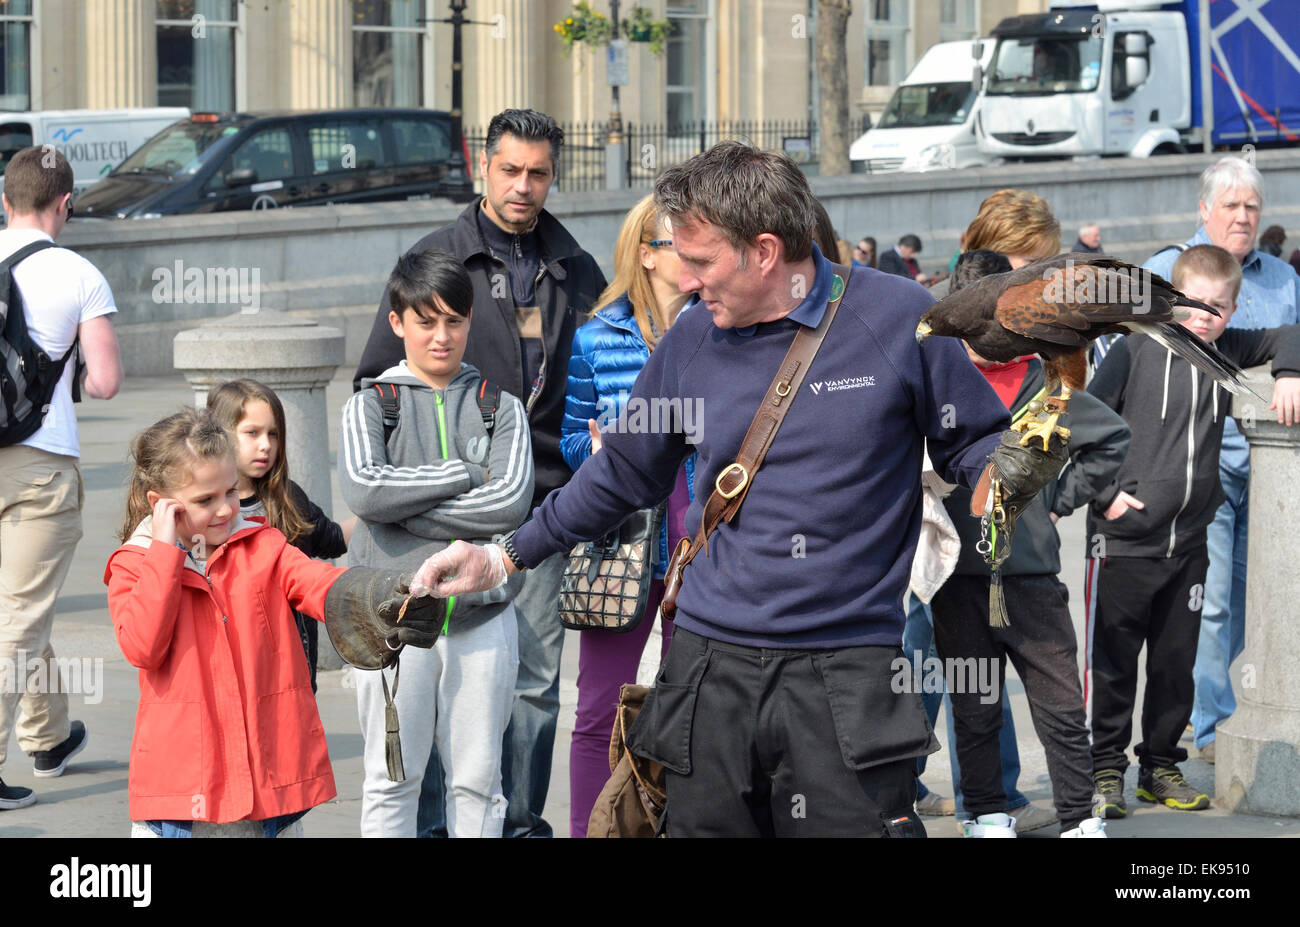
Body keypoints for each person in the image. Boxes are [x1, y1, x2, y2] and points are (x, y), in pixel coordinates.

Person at [411, 141, 1063, 837]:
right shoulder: (692, 339)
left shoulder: (901, 317)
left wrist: (1002, 471)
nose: (686, 282)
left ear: (764, 250)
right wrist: (503, 555)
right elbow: (623, 471)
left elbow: (971, 440)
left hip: (847, 676)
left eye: (700, 261)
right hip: (709, 673)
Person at [352, 108, 605, 837]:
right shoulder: (436, 258)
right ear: (482, 168)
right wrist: (448, 485)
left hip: (543, 510)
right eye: (511, 170)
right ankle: (434, 825)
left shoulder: (574, 265)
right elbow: (377, 381)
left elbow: (589, 375)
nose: (524, 186)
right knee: (432, 679)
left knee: (532, 682)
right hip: (437, 524)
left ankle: (519, 820)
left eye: (539, 173)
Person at [106, 408, 436, 837]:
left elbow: (318, 582)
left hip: (265, 774)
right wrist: (166, 556)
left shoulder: (264, 543)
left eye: (229, 491)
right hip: (183, 784)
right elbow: (142, 646)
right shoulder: (133, 566)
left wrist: (379, 595)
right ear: (160, 505)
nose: (225, 509)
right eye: (205, 500)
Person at [1086, 244, 1300, 817]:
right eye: (1195, 303)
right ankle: (1106, 771)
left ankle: (1160, 766)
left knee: (1175, 663)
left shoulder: (1225, 350)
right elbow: (1081, 424)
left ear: (1232, 310)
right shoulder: (1134, 349)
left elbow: (1289, 333)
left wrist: (1289, 373)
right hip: (1123, 542)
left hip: (1189, 546)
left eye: (1219, 307)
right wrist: (1105, 497)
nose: (1206, 315)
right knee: (1112, 664)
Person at [928, 249, 1129, 839]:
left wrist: (1055, 498)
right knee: (974, 707)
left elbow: (1112, 437)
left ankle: (1078, 818)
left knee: (1060, 706)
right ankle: (986, 813)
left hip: (1032, 574)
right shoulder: (939, 383)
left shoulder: (1048, 381)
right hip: (956, 578)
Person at [340, 250, 533, 837]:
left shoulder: (504, 409)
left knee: (478, 783)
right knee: (390, 780)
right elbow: (366, 491)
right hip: (393, 621)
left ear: (470, 321)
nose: (441, 336)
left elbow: (512, 504)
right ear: (398, 323)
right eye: (426, 321)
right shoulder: (370, 404)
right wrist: (462, 475)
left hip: (482, 619)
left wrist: (407, 512)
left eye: (454, 320)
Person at [1132, 157, 1300, 766]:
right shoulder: (1165, 271)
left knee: (1267, 600)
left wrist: (1290, 369)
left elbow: (1295, 337)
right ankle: (1209, 730)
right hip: (1196, 464)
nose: (1243, 216)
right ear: (1204, 210)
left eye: (1252, 206)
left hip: (1276, 467)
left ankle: (1254, 711)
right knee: (1215, 601)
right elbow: (1130, 357)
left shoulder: (1282, 277)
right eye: (1230, 205)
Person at [909, 187, 1065, 833]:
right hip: (933, 527)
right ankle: (901, 784)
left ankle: (991, 795)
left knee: (978, 675)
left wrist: (1057, 495)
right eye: (1034, 265)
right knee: (921, 667)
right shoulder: (939, 317)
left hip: (995, 538)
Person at [561, 195, 695, 837]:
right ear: (647, 254)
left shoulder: (723, 328)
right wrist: (595, 446)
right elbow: (566, 438)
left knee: (691, 710)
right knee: (597, 711)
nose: (698, 251)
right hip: (620, 541)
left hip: (701, 536)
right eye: (681, 241)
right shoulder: (596, 336)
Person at [0, 147, 122, 812]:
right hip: (39, 466)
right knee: (18, 615)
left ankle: (47, 737)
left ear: (4, 198)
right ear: (64, 203)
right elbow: (105, 381)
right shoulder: (78, 273)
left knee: (24, 607)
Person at [207, 379, 354, 692]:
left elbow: (332, 539)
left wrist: (380, 511)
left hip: (290, 671)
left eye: (273, 434)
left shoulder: (288, 498)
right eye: (252, 433)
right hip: (231, 670)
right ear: (220, 434)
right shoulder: (204, 513)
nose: (266, 445)